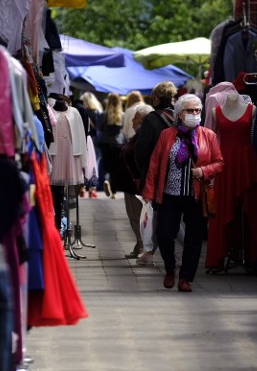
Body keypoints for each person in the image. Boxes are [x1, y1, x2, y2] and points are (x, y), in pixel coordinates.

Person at [142, 93, 224, 293]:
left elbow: (220, 163)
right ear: (180, 114)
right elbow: (154, 164)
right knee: (164, 235)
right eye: (190, 110)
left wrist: (203, 171)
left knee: (194, 239)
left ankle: (186, 278)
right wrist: (149, 192)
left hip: (196, 197)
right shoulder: (167, 135)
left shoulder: (208, 136)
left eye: (197, 111)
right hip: (170, 195)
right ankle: (170, 269)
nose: (195, 114)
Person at [115, 104, 155, 260]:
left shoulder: (143, 136)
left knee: (137, 216)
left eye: (136, 117)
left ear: (143, 120)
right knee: (134, 216)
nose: (132, 120)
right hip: (131, 183)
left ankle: (142, 246)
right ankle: (140, 244)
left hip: (136, 184)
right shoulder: (138, 134)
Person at [96, 92, 125, 198]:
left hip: (105, 143)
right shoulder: (122, 115)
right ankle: (114, 191)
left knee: (106, 165)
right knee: (116, 167)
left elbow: (99, 128)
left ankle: (106, 180)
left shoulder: (104, 114)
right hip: (118, 143)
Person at [79, 91, 104, 198]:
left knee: (83, 163)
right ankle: (92, 188)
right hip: (95, 140)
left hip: (84, 138)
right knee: (95, 163)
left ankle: (82, 187)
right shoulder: (97, 112)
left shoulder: (80, 111)